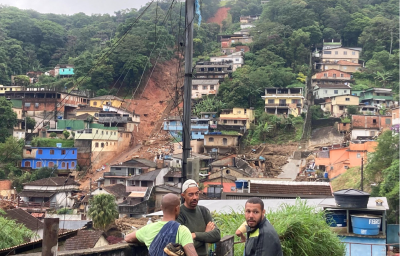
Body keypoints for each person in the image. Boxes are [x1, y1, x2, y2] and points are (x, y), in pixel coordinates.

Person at [125, 193, 198, 256]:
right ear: (177, 208)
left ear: (161, 208)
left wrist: (145, 240)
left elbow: (127, 238)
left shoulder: (148, 229)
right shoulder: (182, 230)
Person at [176, 179, 221, 256]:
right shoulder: (179, 214)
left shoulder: (203, 211)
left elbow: (217, 235)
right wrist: (206, 234)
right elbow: (183, 246)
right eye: (191, 194)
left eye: (197, 194)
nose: (195, 197)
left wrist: (194, 235)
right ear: (183, 195)